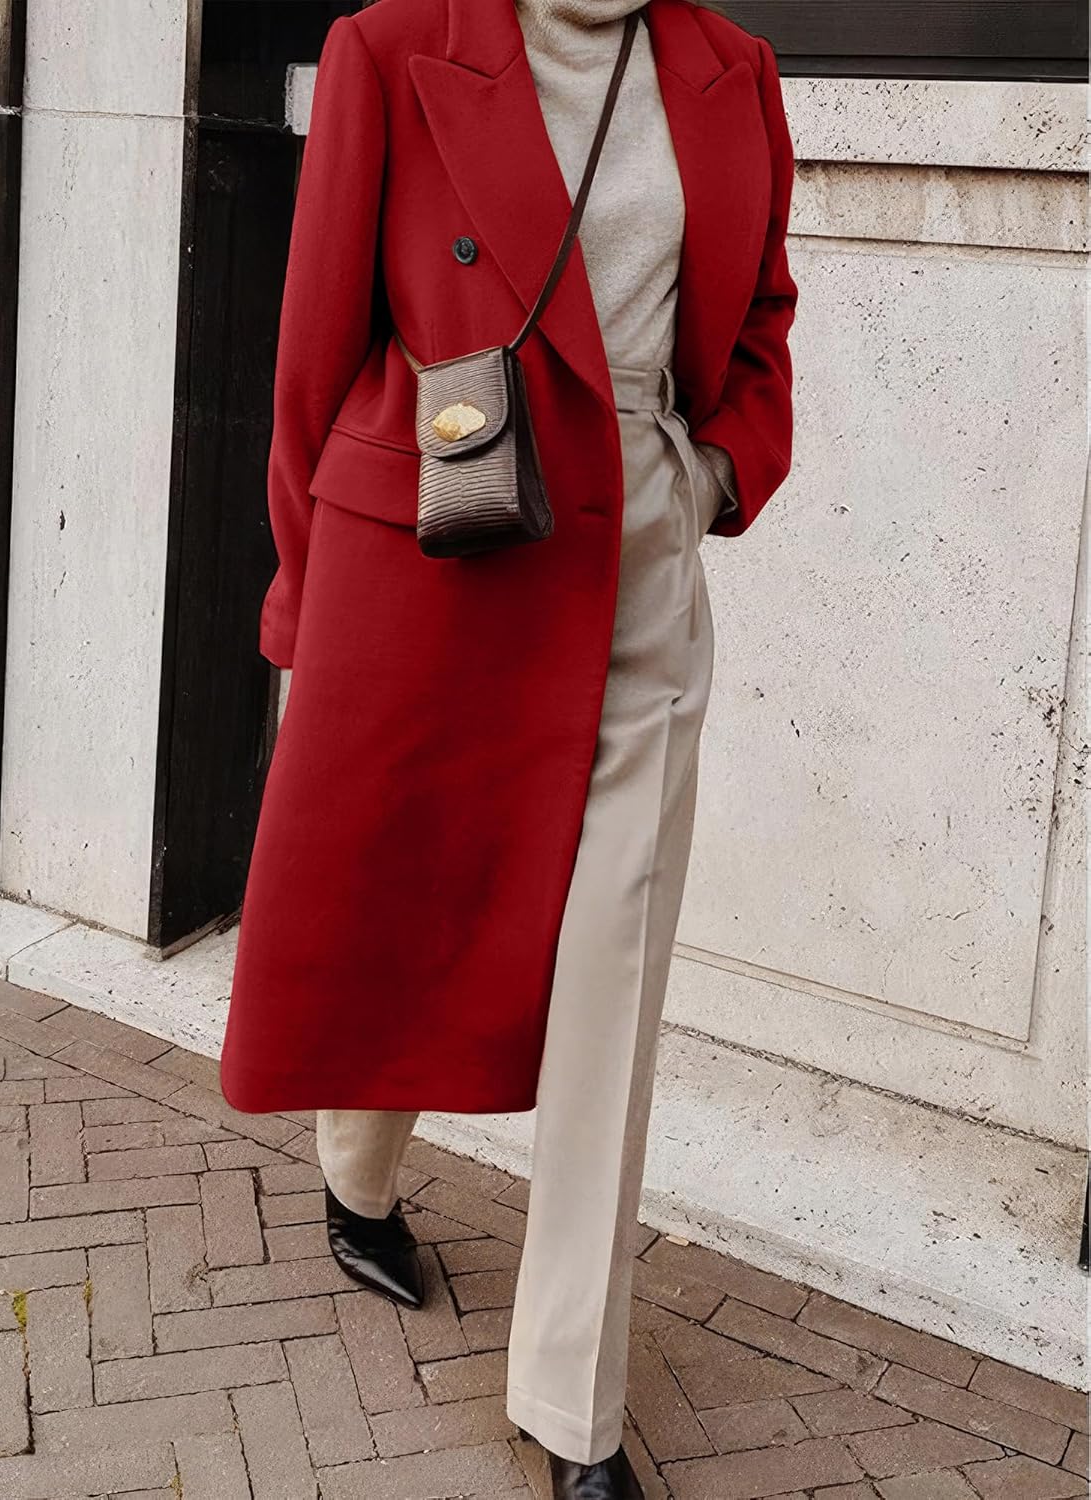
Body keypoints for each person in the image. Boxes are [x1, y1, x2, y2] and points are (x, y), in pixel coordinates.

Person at [220, 0, 797, 1494]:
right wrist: (306, 599)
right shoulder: (393, 46)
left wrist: (712, 470)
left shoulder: (731, 72)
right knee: (417, 901)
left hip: (638, 561)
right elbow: (312, 356)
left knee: (613, 961)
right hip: (449, 535)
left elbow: (760, 318)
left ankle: (569, 1406)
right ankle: (357, 1171)